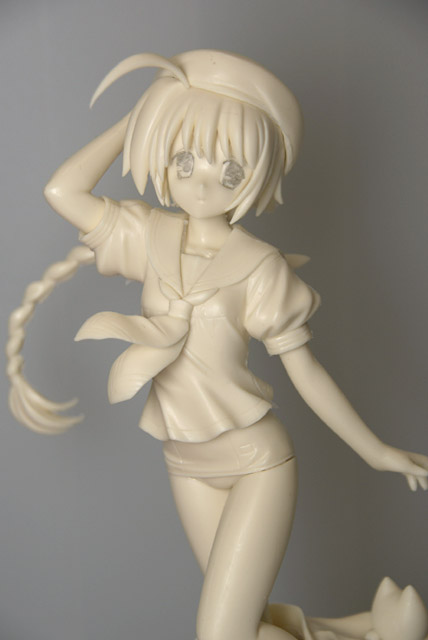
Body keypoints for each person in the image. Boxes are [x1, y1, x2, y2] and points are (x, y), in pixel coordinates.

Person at [7, 51, 428, 640]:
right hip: (184, 461)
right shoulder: (148, 235)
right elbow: (63, 189)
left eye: (230, 171)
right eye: (187, 159)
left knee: (224, 635)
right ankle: (368, 631)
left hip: (256, 460)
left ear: (256, 178)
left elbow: (306, 371)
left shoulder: (259, 266)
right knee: (243, 625)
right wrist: (140, 118)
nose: (204, 181)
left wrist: (374, 450)